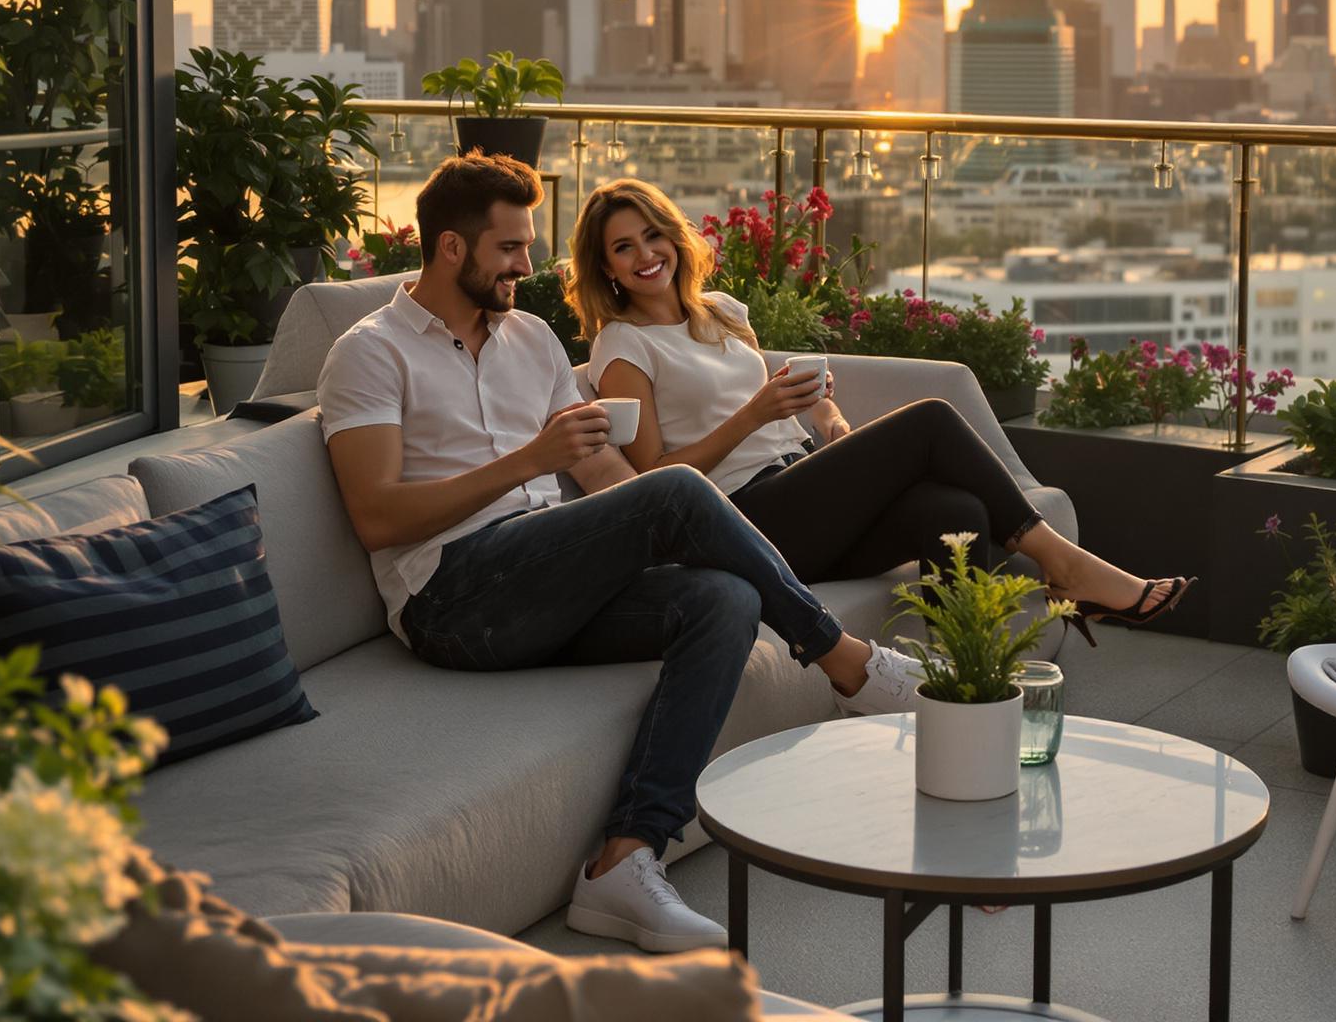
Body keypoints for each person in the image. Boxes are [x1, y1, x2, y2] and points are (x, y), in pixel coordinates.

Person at [318, 152, 926, 956]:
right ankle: (846, 661)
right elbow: (375, 517)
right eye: (509, 250)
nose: (526, 267)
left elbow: (604, 471)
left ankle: (625, 858)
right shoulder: (370, 352)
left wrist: (636, 533)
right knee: (673, 492)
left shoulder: (529, 340)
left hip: (544, 581)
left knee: (723, 599)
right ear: (452, 250)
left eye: (528, 246)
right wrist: (530, 463)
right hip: (453, 599)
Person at [571, 178, 1193, 637]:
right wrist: (753, 415)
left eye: (653, 234)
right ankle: (1066, 564)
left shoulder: (724, 313)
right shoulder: (623, 345)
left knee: (955, 511)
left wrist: (821, 418)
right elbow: (657, 478)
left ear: (675, 237)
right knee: (928, 421)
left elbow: (771, 412)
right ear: (607, 267)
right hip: (742, 519)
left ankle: (965, 679)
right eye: (624, 247)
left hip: (799, 490)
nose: (645, 254)